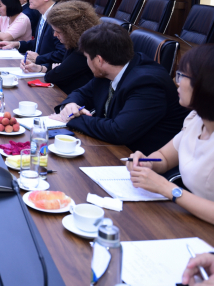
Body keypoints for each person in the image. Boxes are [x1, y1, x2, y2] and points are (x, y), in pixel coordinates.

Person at [50, 23, 189, 154]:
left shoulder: (148, 83)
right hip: (110, 148)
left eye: (87, 57)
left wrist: (71, 119)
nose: (87, 62)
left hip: (141, 160)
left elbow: (119, 131)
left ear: (99, 60)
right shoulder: (112, 69)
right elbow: (82, 93)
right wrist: (70, 105)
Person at [126, 45, 214, 225]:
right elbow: (165, 157)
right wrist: (147, 163)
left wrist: (167, 188)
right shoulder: (196, 119)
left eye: (182, 76)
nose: (176, 81)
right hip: (191, 220)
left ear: (205, 84)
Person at [20, 0, 98, 94]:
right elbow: (60, 69)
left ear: (72, 31)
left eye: (58, 32)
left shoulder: (83, 51)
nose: (54, 35)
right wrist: (38, 68)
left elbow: (52, 76)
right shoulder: (73, 44)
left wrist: (55, 69)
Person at [0, 0, 66, 65]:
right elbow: (39, 43)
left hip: (48, 72)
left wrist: (38, 58)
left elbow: (62, 54)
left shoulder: (60, 18)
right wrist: (16, 44)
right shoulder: (43, 14)